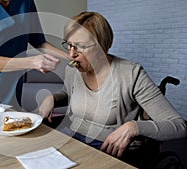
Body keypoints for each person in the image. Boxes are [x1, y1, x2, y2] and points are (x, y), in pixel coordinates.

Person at [38, 11, 186, 163]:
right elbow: (68, 93)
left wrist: (134, 127)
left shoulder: (131, 73)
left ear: (103, 46)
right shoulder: (73, 70)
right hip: (73, 138)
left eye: (80, 47)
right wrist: (53, 98)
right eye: (69, 45)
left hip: (109, 149)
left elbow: (179, 126)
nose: (71, 55)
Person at [0, 0, 67, 108]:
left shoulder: (26, 3)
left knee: (13, 122)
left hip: (13, 82)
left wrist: (68, 56)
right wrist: (33, 62)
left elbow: (39, 42)